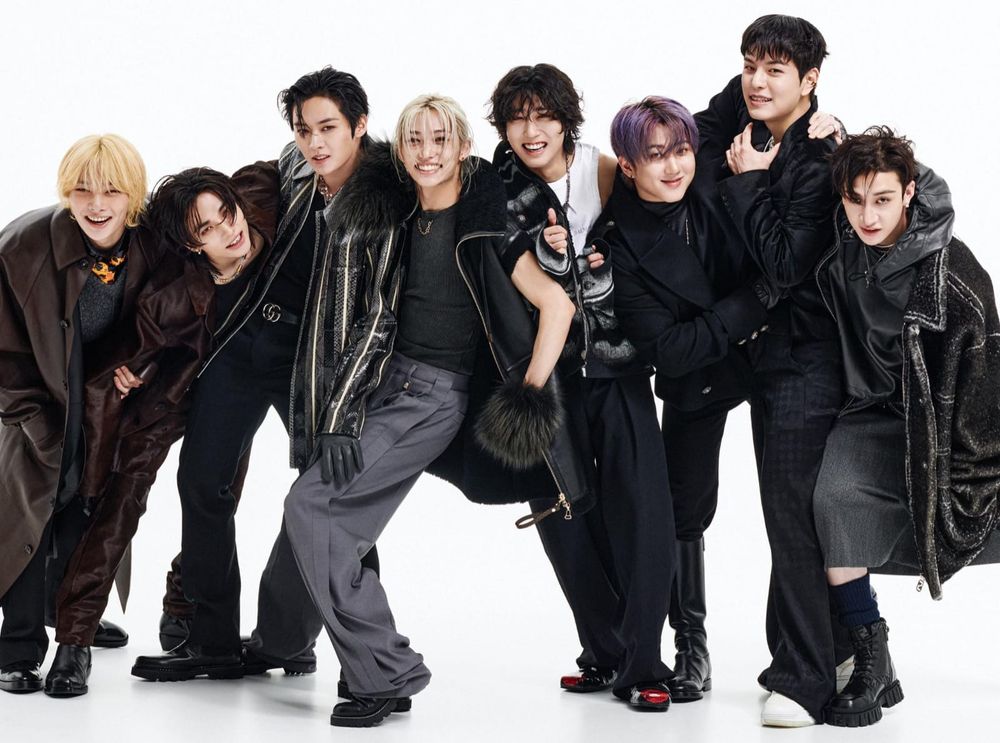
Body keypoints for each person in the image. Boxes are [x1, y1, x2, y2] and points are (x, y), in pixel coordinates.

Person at [241, 93, 587, 727]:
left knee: (311, 506)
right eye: (415, 141)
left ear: (463, 148)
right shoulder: (403, 215)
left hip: (429, 398)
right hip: (382, 383)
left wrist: (528, 394)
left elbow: (557, 305)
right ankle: (282, 643)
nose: (427, 153)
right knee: (323, 511)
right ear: (399, 151)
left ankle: (387, 672)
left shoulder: (483, 226)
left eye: (440, 140)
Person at [130, 68, 379, 680]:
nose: (315, 142)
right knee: (202, 482)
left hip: (313, 356)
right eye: (303, 129)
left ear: (358, 125)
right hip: (243, 345)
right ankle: (211, 641)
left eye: (327, 128)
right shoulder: (290, 168)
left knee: (337, 496)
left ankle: (364, 657)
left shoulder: (385, 188)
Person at [488, 64, 677, 710]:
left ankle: (645, 662)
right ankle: (603, 650)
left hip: (619, 366)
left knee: (642, 509)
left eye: (543, 115)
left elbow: (662, 213)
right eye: (517, 118)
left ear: (567, 119)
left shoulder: (605, 169)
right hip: (550, 371)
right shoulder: (501, 187)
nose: (531, 130)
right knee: (562, 513)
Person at [46, 167, 274, 696]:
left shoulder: (261, 212)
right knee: (120, 504)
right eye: (207, 229)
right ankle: (74, 642)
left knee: (215, 501)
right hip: (170, 391)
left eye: (227, 215)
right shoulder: (173, 293)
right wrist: (136, 371)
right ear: (191, 245)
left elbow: (281, 168)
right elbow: (132, 349)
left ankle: (182, 610)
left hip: (239, 391)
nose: (228, 232)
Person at [814, 127, 1000, 726]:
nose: (868, 216)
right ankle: (871, 652)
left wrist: (973, 471)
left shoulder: (953, 271)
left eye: (884, 200)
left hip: (941, 427)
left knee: (977, 514)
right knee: (833, 501)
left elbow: (984, 387)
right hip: (868, 414)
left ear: (910, 193)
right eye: (855, 200)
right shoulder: (838, 245)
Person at [592, 96, 773, 704]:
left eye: (681, 151)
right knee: (683, 509)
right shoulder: (618, 243)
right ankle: (690, 644)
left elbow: (754, 87)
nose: (674, 167)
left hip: (778, 354)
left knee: (798, 502)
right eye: (655, 156)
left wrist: (823, 120)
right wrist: (751, 304)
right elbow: (669, 351)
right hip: (701, 376)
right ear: (626, 165)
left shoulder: (711, 170)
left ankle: (816, 645)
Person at [695, 15, 846, 726]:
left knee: (794, 517)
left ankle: (807, 680)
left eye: (774, 70)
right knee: (785, 513)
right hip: (765, 357)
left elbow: (786, 264)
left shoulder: (821, 159)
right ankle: (818, 654)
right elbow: (699, 130)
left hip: (808, 360)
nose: (756, 81)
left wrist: (751, 183)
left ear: (809, 81)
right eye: (749, 64)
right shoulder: (750, 119)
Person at [0, 134, 149, 694]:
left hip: (99, 401)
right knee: (30, 516)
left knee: (88, 508)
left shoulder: (147, 245)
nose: (97, 204)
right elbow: (3, 354)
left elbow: (166, 317)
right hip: (33, 401)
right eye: (83, 190)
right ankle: (16, 646)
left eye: (112, 190)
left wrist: (141, 367)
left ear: (133, 194)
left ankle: (70, 620)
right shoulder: (22, 246)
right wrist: (34, 422)